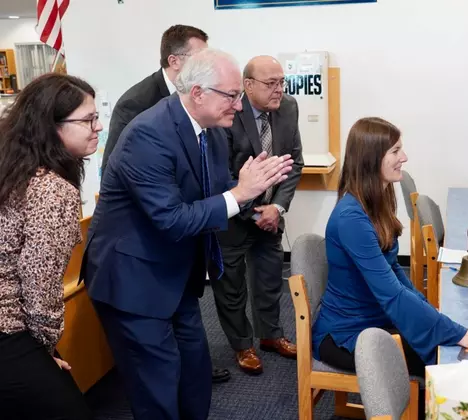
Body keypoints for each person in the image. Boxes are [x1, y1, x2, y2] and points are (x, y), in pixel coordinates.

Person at [82, 48, 294, 420]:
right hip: (133, 281)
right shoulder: (147, 135)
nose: (240, 106)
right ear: (197, 93)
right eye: (232, 96)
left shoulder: (209, 131)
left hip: (175, 274)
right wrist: (240, 193)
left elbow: (217, 190)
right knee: (158, 387)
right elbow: (173, 219)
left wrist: (251, 190)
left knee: (194, 374)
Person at [311, 117, 468, 377]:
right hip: (347, 335)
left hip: (376, 320)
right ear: (371, 158)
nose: (405, 157)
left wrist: (432, 313)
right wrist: (462, 334)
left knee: (452, 342)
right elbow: (391, 294)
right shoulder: (350, 219)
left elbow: (396, 275)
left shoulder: (377, 200)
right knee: (452, 360)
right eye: (395, 151)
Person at [0, 73, 100, 419]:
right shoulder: (52, 190)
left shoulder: (11, 168)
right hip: (8, 332)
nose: (97, 127)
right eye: (88, 120)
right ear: (51, 126)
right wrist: (44, 351)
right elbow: (40, 286)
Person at [214, 55, 303, 374]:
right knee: (232, 286)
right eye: (271, 83)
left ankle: (270, 336)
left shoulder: (289, 107)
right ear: (247, 86)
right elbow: (220, 175)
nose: (279, 89)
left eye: (282, 82)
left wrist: (276, 208)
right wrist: (254, 213)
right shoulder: (228, 113)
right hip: (232, 220)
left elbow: (294, 163)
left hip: (271, 214)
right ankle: (242, 345)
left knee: (268, 278)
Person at [100, 24, 207, 179]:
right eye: (200, 60)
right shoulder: (135, 103)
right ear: (174, 61)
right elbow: (113, 170)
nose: (206, 67)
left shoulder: (197, 95)